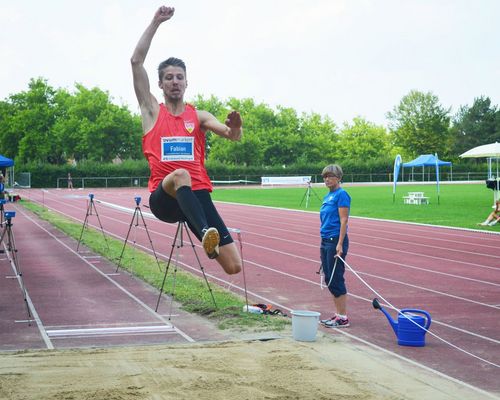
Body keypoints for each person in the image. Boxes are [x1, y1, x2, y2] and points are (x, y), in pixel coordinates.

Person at [131, 6, 242, 275]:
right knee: (180, 174)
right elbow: (136, 61)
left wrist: (236, 127)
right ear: (160, 84)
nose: (174, 82)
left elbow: (231, 136)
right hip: (165, 198)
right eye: (168, 78)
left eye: (179, 77)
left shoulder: (200, 116)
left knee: (234, 266)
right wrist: (155, 22)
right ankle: (205, 233)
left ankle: (208, 236)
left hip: (197, 198)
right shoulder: (151, 111)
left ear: (187, 82)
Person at [319, 164, 351, 328]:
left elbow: (344, 220)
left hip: (335, 241)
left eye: (330, 176)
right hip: (325, 240)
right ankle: (338, 314)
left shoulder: (342, 195)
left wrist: (339, 244)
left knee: (335, 278)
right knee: (329, 278)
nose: (327, 179)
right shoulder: (327, 197)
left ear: (338, 178)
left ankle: (343, 317)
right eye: (325, 176)